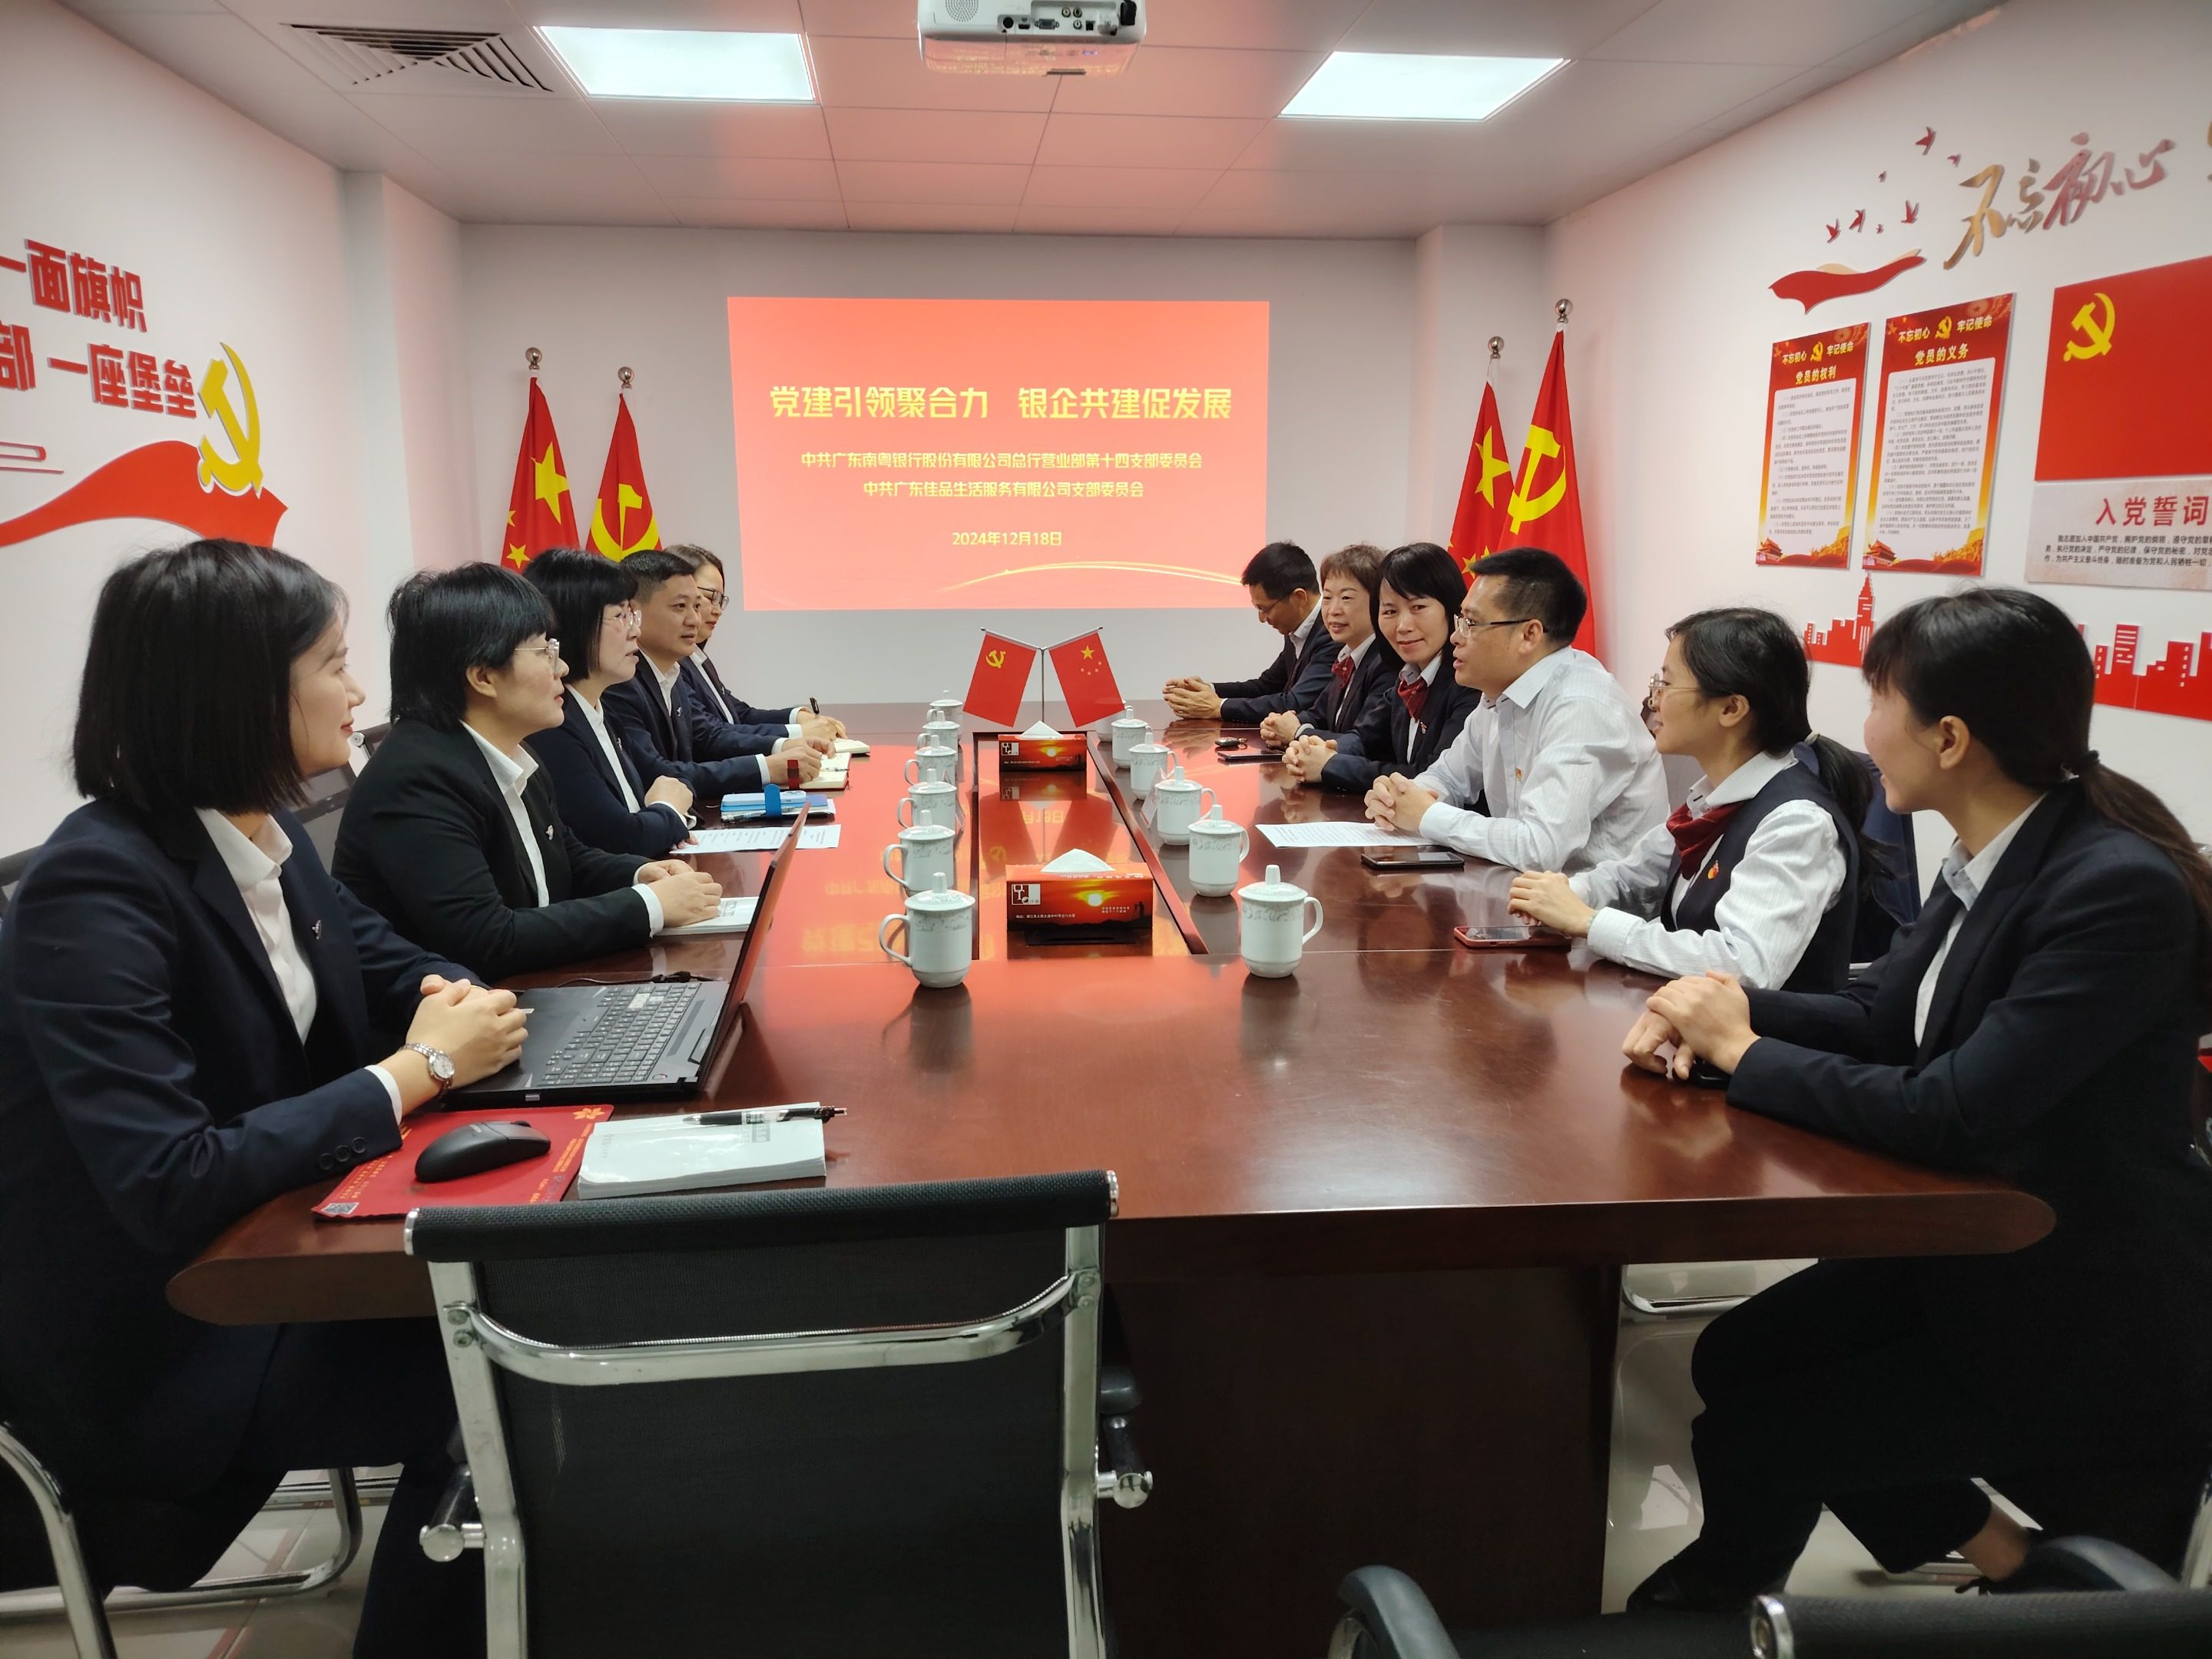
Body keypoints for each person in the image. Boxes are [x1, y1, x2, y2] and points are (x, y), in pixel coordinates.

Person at [1620, 587, 2212, 1611]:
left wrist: (1745, 1052)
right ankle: (2008, 1561)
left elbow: (1952, 1109)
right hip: (1975, 1242)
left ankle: (1724, 1605)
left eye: (1877, 701)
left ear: (1950, 738)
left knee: (1762, 1431)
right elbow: (1891, 1018)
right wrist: (1721, 1011)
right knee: (1736, 1357)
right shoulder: (1994, 847)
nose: (1861, 732)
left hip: (2081, 1294)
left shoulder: (2112, 887)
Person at [0, 539, 527, 1657]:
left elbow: (392, 961)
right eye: (332, 664)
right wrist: (420, 1070)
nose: (358, 691)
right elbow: (168, 1178)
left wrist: (453, 1000)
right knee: (490, 1376)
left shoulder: (261, 836)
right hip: (158, 1340)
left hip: (263, 1258)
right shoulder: (94, 884)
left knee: (517, 1310)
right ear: (237, 693)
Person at [336, 564, 721, 982]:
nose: (562, 668)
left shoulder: (511, 750)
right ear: (483, 676)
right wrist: (650, 906)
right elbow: (488, 939)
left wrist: (639, 874)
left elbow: (568, 858)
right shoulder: (418, 778)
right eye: (544, 652)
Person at [1508, 608, 1873, 991]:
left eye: (1666, 685)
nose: (1653, 701)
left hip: (1759, 1028)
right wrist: (1569, 894)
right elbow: (1633, 876)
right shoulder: (1714, 796)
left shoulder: (1796, 823)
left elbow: (1743, 964)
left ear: (1731, 709)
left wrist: (1589, 922)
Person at [1363, 546, 1667, 873]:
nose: (1455, 637)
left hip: (1590, 899)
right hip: (1521, 888)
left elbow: (1539, 848)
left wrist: (1427, 814)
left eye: (1471, 623)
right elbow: (1448, 777)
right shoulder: (1498, 694)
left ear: (1529, 635)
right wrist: (1399, 798)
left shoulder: (1582, 706)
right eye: (1460, 621)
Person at [601, 549, 824, 798]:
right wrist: (767, 767)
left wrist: (782, 747)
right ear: (633, 612)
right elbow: (658, 775)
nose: (694, 620)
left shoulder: (671, 671)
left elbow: (705, 738)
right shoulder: (621, 682)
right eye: (680, 606)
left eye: (697, 606)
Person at [522, 548, 694, 857]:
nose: (636, 631)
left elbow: (674, 782)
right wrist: (668, 811)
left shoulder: (600, 710)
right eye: (620, 616)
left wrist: (665, 813)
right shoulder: (553, 726)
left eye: (632, 615)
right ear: (577, 624)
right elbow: (622, 838)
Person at [1280, 542, 1479, 795]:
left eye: (1418, 608)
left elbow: (1431, 777)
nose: (1403, 626)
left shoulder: (1469, 683)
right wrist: (1315, 751)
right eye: (1390, 611)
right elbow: (1365, 737)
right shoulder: (1408, 676)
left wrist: (1330, 765)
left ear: (1452, 609)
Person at [673, 543, 843, 743]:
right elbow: (711, 734)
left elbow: (738, 714)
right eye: (711, 598)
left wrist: (798, 717)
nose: (718, 610)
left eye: (721, 600)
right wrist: (798, 734)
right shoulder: (673, 663)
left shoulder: (697, 658)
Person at [1163, 541, 1334, 723]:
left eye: (1265, 609)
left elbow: (1295, 703)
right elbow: (1267, 686)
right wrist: (1209, 690)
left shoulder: (1331, 634)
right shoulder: (1299, 629)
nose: (1262, 618)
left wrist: (1218, 707)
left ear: (1299, 597)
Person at [1257, 542, 1397, 749]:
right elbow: (1318, 714)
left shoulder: (1387, 660)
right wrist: (1280, 726)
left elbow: (1364, 742)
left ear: (1379, 601)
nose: (1333, 610)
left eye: (1346, 598)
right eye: (1328, 598)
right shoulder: (1347, 656)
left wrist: (1297, 733)